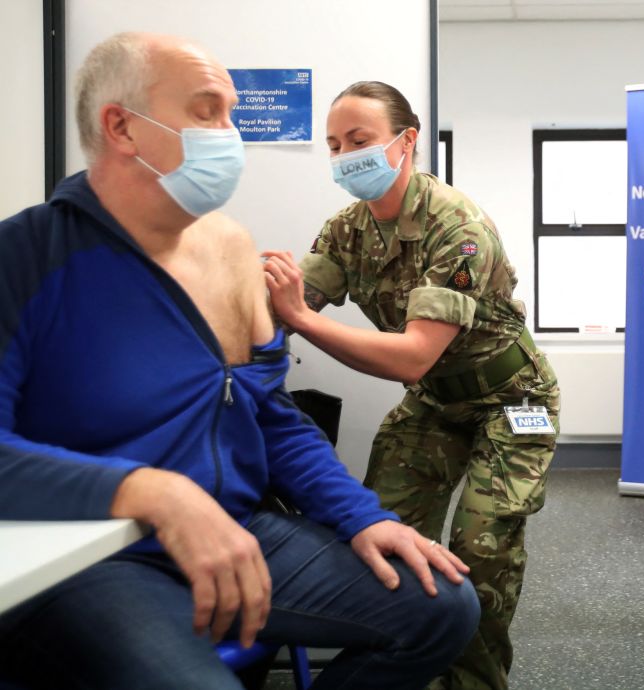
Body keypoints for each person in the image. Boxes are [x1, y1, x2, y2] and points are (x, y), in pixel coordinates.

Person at [0, 32, 480, 690]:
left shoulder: (229, 248)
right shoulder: (25, 258)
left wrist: (361, 516)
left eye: (231, 112)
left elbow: (269, 414)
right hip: (101, 553)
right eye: (207, 111)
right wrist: (151, 492)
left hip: (238, 527)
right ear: (121, 126)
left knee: (443, 607)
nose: (230, 135)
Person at [263, 81, 560, 690]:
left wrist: (300, 318)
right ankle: (410, 668)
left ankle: (476, 684)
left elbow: (411, 358)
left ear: (407, 141)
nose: (346, 156)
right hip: (436, 405)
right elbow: (290, 301)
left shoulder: (458, 225)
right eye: (335, 145)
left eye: (360, 141)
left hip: (511, 403)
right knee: (387, 539)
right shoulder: (348, 229)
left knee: (480, 549)